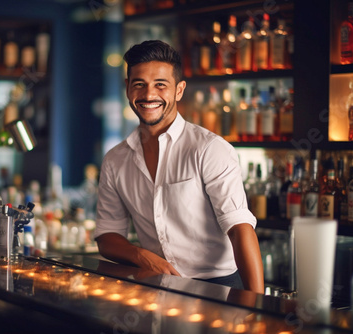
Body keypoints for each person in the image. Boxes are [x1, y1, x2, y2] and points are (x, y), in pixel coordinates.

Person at [94, 40, 264, 293]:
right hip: (155, 285)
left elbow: (240, 229)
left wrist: (258, 308)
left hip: (217, 287)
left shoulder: (209, 148)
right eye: (139, 84)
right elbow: (107, 236)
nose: (149, 95)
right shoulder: (115, 159)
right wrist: (140, 255)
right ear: (127, 88)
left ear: (179, 90)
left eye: (160, 85)